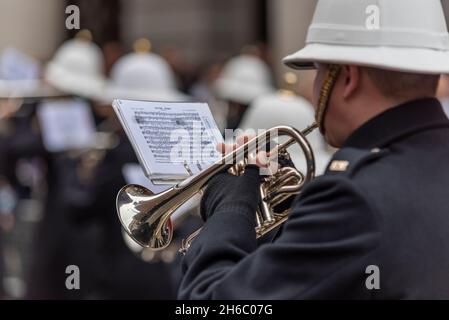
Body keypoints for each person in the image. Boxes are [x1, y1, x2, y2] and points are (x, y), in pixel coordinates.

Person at [178, 0, 449, 299]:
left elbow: (208, 301)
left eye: (317, 70)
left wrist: (230, 205)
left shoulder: (354, 197)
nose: (315, 85)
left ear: (347, 78)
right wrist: (292, 210)